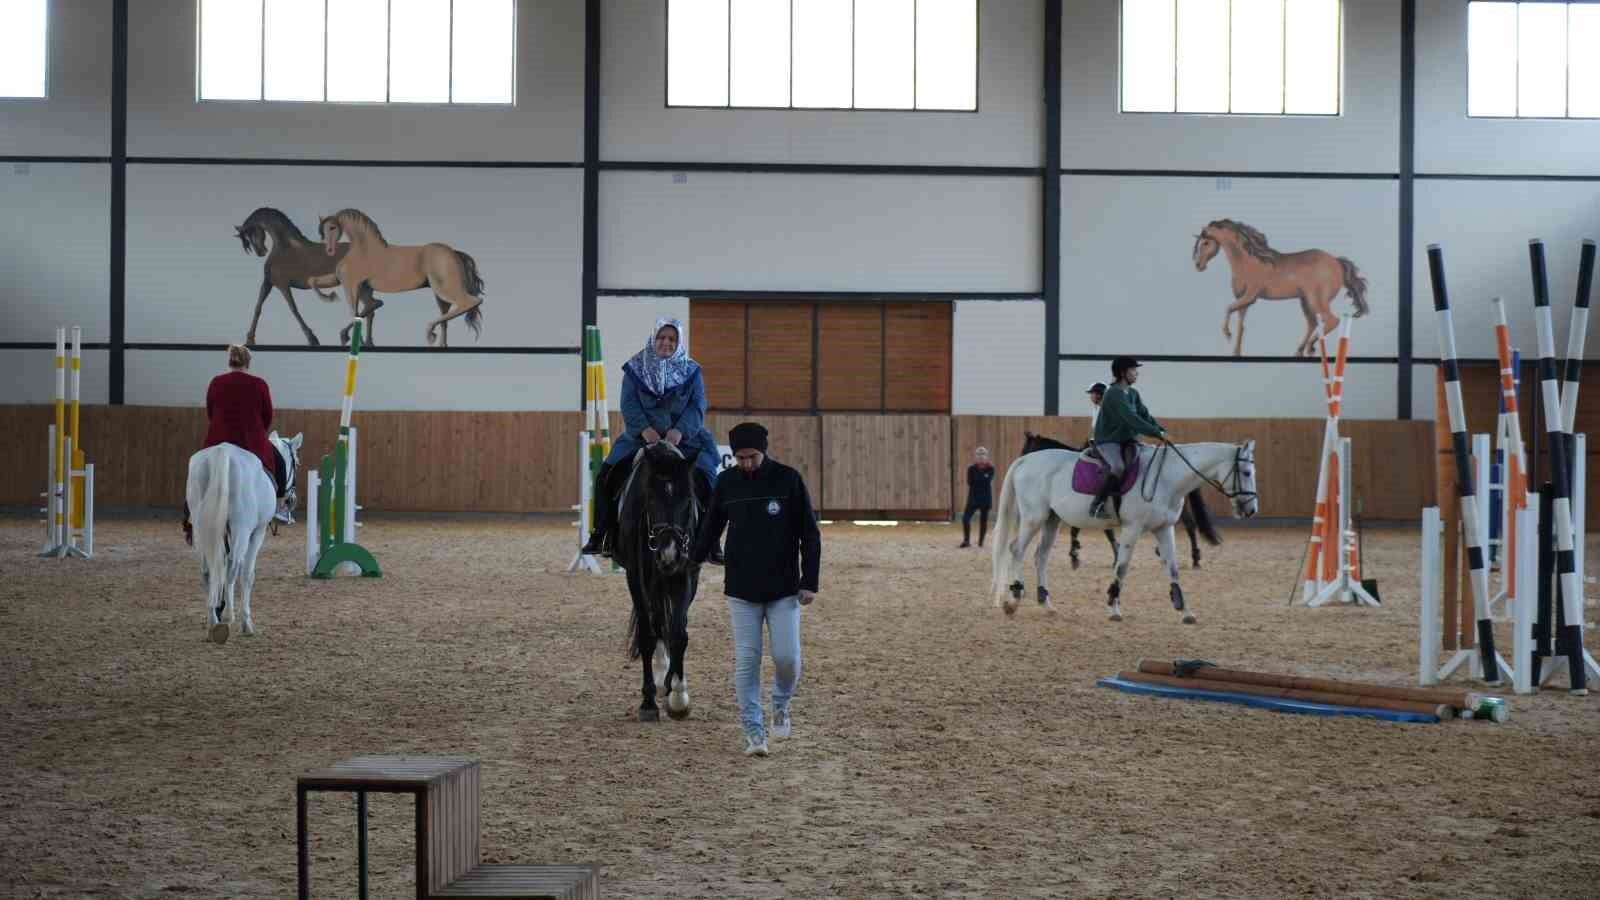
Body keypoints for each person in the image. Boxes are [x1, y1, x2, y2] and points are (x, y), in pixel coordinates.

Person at [690, 422, 822, 758]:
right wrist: (692, 560)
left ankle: (780, 702)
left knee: (787, 658)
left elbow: (809, 533)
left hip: (784, 588)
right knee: (747, 661)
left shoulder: (788, 479)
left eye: (752, 457)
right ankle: (753, 731)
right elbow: (710, 527)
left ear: (764, 451)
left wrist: (810, 581)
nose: (746, 463)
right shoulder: (726, 482)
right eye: (740, 458)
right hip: (741, 587)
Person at [582, 317, 722, 561]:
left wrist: (679, 431)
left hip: (686, 440)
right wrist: (645, 430)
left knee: (709, 480)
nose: (666, 342)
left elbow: (698, 406)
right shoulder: (634, 369)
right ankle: (602, 533)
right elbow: (629, 404)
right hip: (640, 439)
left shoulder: (693, 372)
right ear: (653, 338)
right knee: (607, 474)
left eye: (672, 339)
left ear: (679, 342)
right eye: (661, 337)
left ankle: (711, 542)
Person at [183, 344, 288, 544]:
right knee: (280, 462)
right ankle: (281, 506)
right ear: (248, 363)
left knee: (196, 468)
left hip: (218, 439)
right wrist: (259, 432)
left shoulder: (216, 382)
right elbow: (267, 415)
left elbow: (210, 411)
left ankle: (189, 514)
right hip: (251, 441)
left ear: (229, 361)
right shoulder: (259, 384)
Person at [1089, 357, 1165, 520]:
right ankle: (1097, 504)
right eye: (1133, 370)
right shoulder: (1114, 393)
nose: (1137, 373)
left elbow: (1145, 415)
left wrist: (1161, 430)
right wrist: (1157, 434)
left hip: (1128, 440)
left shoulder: (1133, 393)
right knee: (1118, 467)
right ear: (1123, 373)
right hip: (1108, 440)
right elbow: (1132, 419)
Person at [959, 446, 995, 548]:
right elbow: (970, 482)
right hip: (973, 498)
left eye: (983, 454)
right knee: (965, 518)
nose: (981, 456)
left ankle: (981, 542)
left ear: (986, 456)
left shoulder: (991, 468)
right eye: (978, 454)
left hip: (985, 498)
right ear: (975, 456)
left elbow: (987, 481)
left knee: (983, 521)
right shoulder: (971, 468)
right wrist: (982, 477)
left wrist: (979, 478)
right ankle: (966, 541)